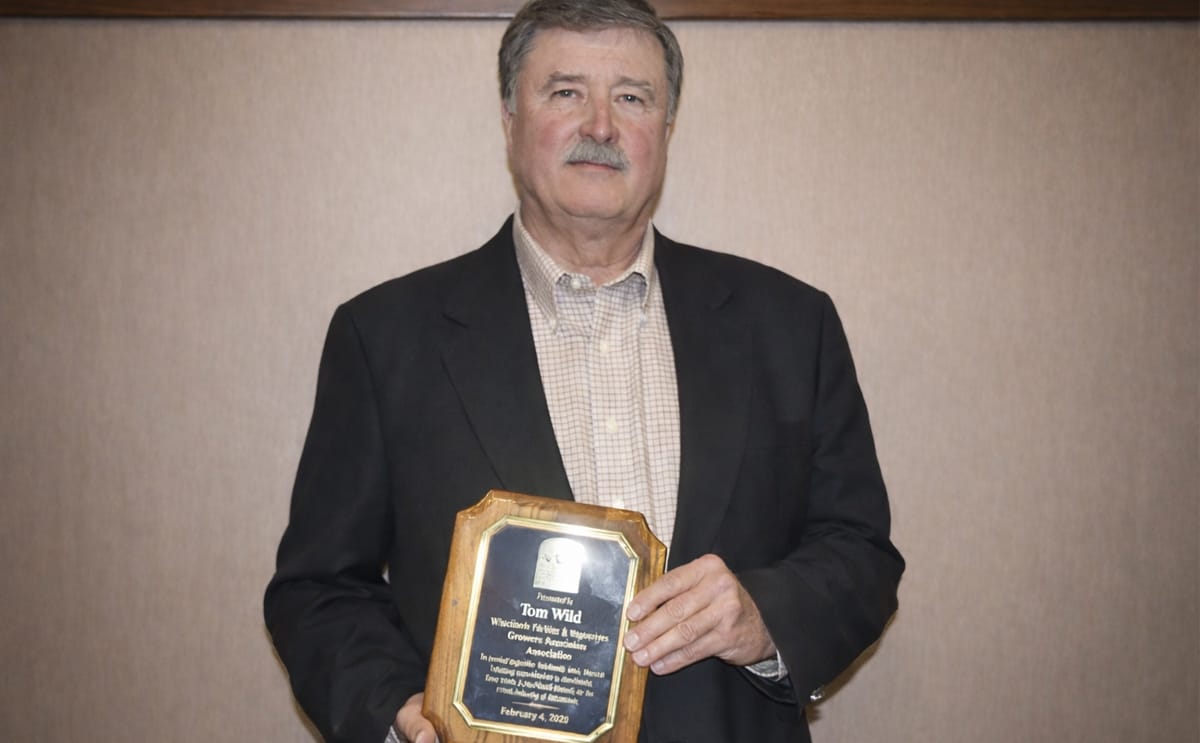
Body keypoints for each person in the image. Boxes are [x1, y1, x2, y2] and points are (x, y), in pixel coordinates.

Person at [264, 1, 904, 741]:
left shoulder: (793, 325)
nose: (601, 126)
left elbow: (860, 552)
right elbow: (317, 588)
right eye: (565, 92)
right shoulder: (384, 338)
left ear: (666, 128)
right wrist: (397, 711)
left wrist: (764, 616)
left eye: (632, 97)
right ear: (509, 120)